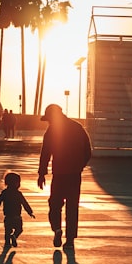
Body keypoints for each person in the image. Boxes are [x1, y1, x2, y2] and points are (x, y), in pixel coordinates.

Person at [37, 103, 92, 250]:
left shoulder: (51, 131)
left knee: (54, 205)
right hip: (74, 175)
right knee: (72, 207)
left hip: (59, 174)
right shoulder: (77, 127)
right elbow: (88, 151)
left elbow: (45, 154)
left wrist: (42, 173)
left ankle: (57, 229)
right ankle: (70, 240)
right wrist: (79, 166)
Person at [0, 171, 35, 247]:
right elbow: (24, 203)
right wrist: (30, 212)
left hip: (8, 216)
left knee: (7, 231)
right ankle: (14, 236)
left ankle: (7, 243)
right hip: (17, 216)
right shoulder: (18, 194)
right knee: (19, 229)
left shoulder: (4, 192)